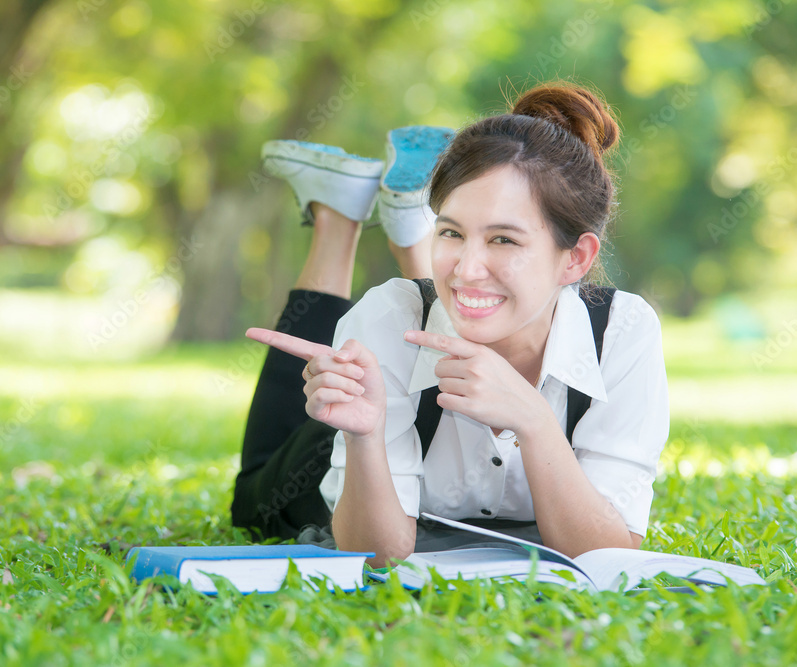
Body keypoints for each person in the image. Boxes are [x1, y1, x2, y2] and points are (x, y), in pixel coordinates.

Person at [231, 82, 670, 567]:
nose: (465, 267)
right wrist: (364, 435)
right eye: (450, 231)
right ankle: (336, 218)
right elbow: (378, 558)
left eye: (503, 239)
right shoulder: (387, 319)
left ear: (576, 258)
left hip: (427, 340)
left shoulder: (622, 332)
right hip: (345, 454)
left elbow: (610, 555)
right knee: (253, 498)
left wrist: (535, 420)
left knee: (453, 292)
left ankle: (404, 227)